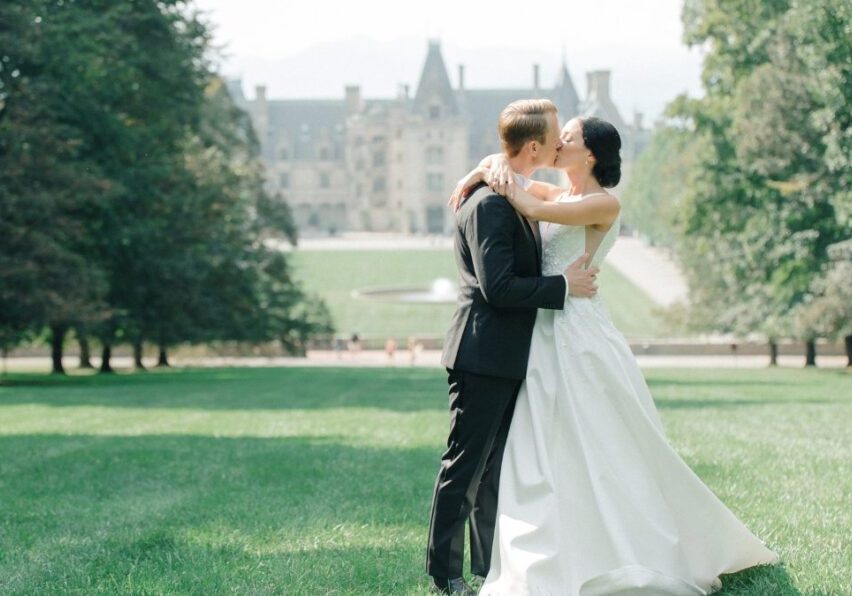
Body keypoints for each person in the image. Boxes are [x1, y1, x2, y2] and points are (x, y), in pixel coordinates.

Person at [452, 116, 778, 595]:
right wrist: (481, 170)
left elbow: (522, 199)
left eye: (568, 138)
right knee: (545, 444)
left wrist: (492, 173)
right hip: (546, 329)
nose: (558, 142)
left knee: (603, 441)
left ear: (590, 155)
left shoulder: (602, 202)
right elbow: (514, 177)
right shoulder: (560, 194)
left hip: (578, 332)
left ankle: (629, 543)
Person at [427, 99, 600, 596]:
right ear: (532, 147)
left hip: (506, 356)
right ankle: (446, 573)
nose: (559, 144)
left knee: (492, 473)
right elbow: (497, 287)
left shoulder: (509, 191)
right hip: (481, 355)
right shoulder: (489, 205)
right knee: (463, 469)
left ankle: (486, 568)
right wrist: (562, 286)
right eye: (553, 138)